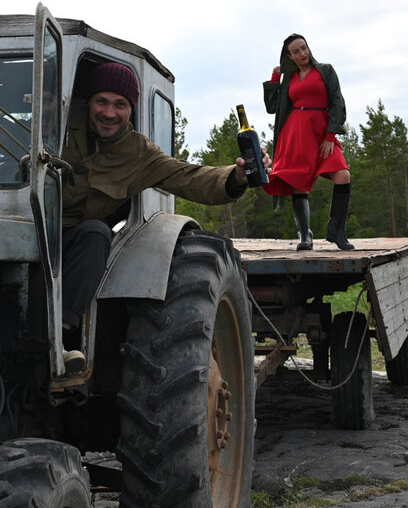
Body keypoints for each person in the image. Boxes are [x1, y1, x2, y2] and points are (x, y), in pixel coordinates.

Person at [60, 61, 270, 374]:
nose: (109, 112)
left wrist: (236, 176)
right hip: (33, 233)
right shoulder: (57, 127)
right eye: (101, 101)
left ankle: (61, 334)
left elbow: (190, 177)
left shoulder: (138, 154)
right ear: (88, 102)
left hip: (78, 246)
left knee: (94, 234)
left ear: (131, 109)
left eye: (119, 104)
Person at [262, 33, 353, 251]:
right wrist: (275, 80)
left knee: (342, 175)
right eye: (296, 51)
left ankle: (336, 231)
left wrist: (331, 134)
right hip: (295, 133)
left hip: (322, 132)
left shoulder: (326, 71)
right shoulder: (289, 79)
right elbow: (272, 107)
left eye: (304, 48)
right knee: (297, 182)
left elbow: (337, 100)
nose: (302, 53)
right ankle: (305, 235)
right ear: (289, 56)